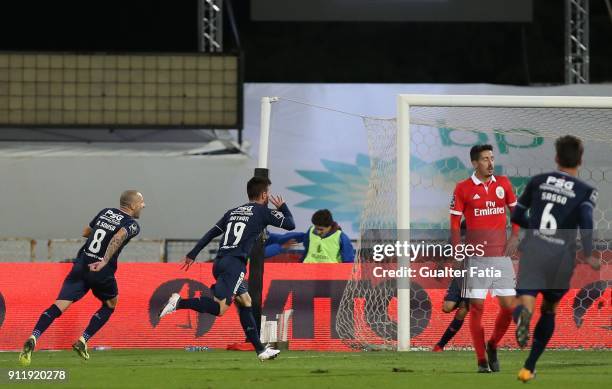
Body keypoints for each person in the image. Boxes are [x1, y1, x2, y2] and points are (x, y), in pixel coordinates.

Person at [158, 176, 295, 361]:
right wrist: (282, 207)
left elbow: (212, 232)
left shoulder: (233, 212)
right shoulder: (263, 212)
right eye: (268, 193)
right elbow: (290, 223)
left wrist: (193, 253)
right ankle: (179, 303)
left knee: (245, 302)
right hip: (235, 265)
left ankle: (261, 350)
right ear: (264, 194)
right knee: (219, 309)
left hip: (221, 261)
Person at [18, 190, 145, 366]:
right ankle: (83, 340)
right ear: (132, 205)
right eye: (141, 202)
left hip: (81, 263)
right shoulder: (132, 224)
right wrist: (104, 260)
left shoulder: (106, 211)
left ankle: (34, 336)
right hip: (101, 269)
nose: (143, 206)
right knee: (110, 304)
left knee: (59, 305)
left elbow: (87, 232)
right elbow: (118, 236)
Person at [511, 135, 600, 383]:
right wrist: (590, 252)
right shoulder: (585, 192)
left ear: (556, 157)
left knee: (525, 300)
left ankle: (521, 317)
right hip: (562, 258)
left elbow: (517, 215)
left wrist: (536, 229)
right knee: (549, 309)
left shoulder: (538, 181)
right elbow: (586, 219)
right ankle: (529, 367)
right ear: (580, 159)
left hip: (534, 251)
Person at [449, 144, 520, 373]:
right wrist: (458, 252)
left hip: (501, 257)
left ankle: (492, 345)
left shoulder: (504, 184)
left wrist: (515, 236)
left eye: (492, 158)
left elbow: (516, 213)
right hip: (476, 258)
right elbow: (453, 224)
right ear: (474, 163)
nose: (491, 163)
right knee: (477, 308)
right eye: (485, 159)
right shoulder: (462, 188)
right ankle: (481, 360)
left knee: (509, 307)